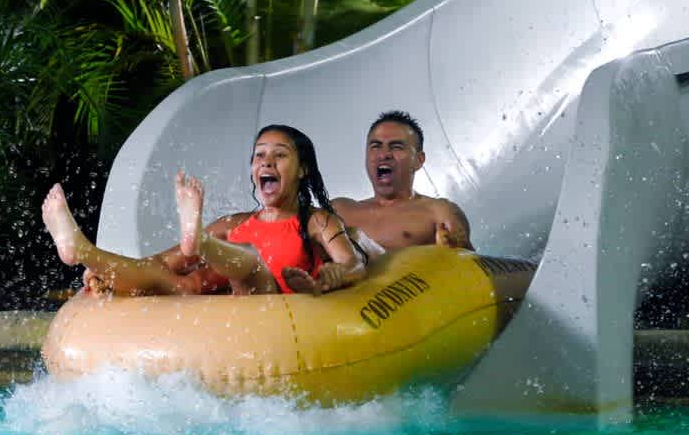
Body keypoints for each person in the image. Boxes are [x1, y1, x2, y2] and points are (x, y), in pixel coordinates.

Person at [41, 125, 367, 296]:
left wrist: (335, 274)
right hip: (232, 308)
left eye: (279, 155)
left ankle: (200, 242)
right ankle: (80, 249)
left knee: (251, 260)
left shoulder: (317, 221)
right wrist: (103, 271)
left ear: (302, 170)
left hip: (272, 305)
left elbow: (353, 264)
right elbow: (160, 262)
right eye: (259, 156)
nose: (266, 162)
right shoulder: (233, 223)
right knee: (163, 276)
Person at [332, 110, 474, 260]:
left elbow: (472, 264)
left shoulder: (439, 211)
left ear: (419, 160)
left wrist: (453, 248)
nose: (384, 154)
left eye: (396, 147)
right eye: (376, 146)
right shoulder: (340, 210)